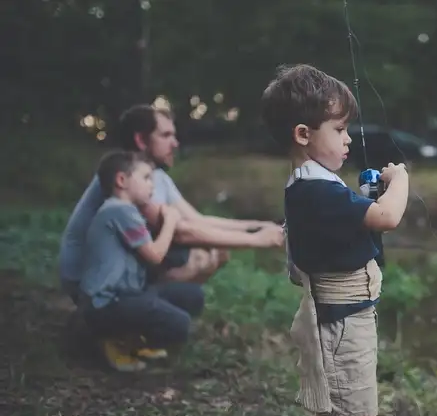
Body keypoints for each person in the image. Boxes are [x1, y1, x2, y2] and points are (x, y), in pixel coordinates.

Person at [261, 64, 410, 416]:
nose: (348, 139)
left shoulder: (313, 186)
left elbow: (354, 223)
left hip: (346, 317)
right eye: (339, 129)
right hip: (341, 322)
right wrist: (401, 181)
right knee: (334, 412)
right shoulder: (317, 191)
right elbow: (388, 217)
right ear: (303, 135)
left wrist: (365, 199)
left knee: (347, 409)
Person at [59, 104, 285, 305]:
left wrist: (259, 224)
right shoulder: (128, 178)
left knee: (217, 251)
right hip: (85, 278)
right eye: (165, 135)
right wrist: (257, 240)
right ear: (140, 140)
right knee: (199, 256)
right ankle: (128, 321)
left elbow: (197, 220)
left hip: (118, 267)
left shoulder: (155, 176)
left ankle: (151, 314)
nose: (175, 143)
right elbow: (182, 233)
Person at [79, 150, 205, 372]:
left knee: (193, 295)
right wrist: (171, 221)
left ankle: (131, 337)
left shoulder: (127, 211)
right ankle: (117, 341)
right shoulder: (119, 211)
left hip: (128, 295)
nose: (152, 186)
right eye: (146, 178)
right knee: (180, 325)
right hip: (106, 304)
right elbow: (155, 256)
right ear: (121, 181)